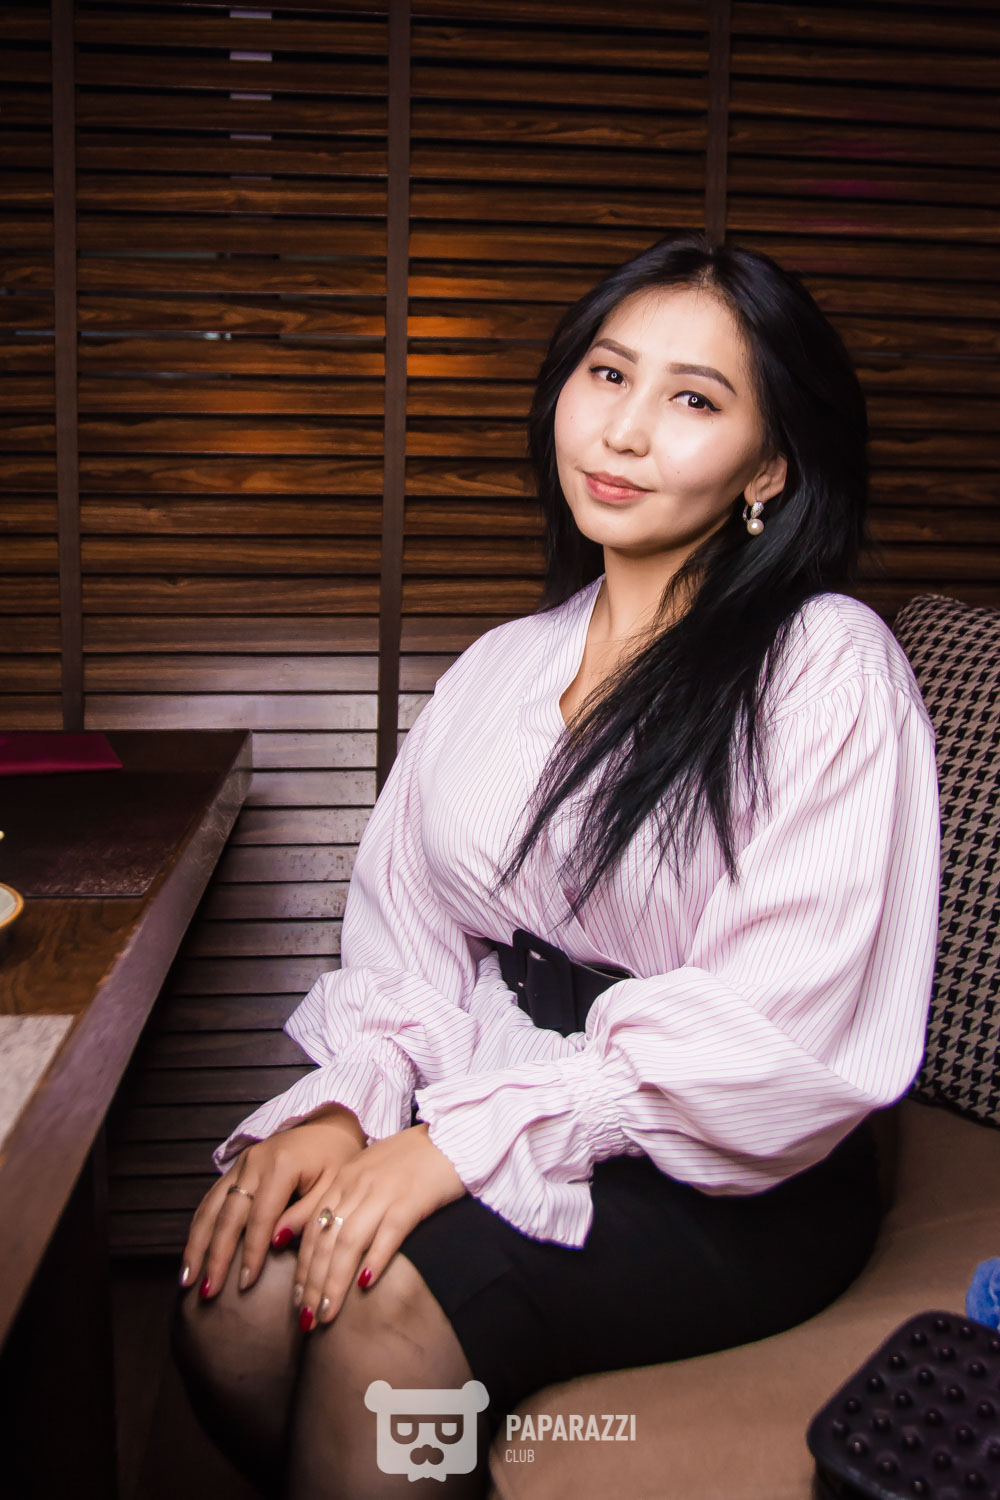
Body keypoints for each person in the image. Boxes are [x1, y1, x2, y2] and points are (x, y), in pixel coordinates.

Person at [171, 230, 940, 1500]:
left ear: (770, 464)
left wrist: (454, 1148)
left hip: (729, 1165)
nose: (623, 431)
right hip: (499, 1087)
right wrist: (347, 1107)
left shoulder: (827, 665)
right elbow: (411, 937)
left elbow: (780, 1036)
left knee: (382, 1311)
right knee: (236, 1296)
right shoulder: (500, 667)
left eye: (695, 400)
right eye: (608, 374)